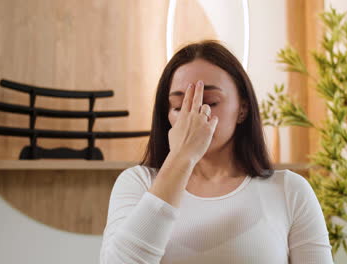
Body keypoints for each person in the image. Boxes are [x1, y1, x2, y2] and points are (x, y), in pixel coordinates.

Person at [99, 40, 333, 264]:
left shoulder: (290, 191)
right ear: (166, 114)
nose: (193, 117)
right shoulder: (138, 184)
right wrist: (181, 157)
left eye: (209, 102)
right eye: (179, 107)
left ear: (242, 109)